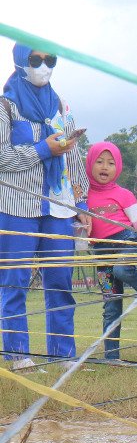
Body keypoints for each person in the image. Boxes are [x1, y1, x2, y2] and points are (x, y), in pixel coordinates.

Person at [0, 43, 88, 370]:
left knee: (61, 282)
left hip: (59, 205)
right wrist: (42, 149)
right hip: (17, 205)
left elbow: (74, 156)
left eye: (49, 59)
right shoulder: (5, 105)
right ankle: (18, 355)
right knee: (15, 283)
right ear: (21, 61)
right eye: (36, 60)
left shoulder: (60, 105)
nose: (44, 66)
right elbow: (1, 157)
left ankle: (63, 355)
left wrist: (81, 202)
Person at [85, 141, 137, 359]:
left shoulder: (124, 195)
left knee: (122, 270)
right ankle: (112, 357)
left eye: (111, 163)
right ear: (90, 163)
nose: (104, 166)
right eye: (99, 161)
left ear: (118, 167)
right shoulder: (82, 197)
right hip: (101, 253)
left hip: (127, 241)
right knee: (111, 306)